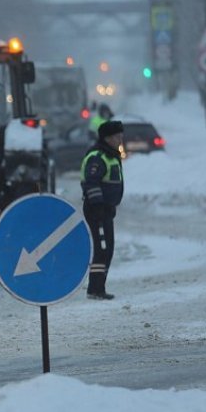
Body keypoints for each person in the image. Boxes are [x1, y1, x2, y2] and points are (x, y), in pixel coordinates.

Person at [80, 120, 124, 301]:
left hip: (106, 210)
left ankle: (99, 286)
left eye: (121, 135)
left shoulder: (111, 155)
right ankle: (95, 289)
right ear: (107, 138)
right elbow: (91, 182)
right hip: (97, 210)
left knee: (108, 248)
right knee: (102, 248)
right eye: (117, 136)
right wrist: (98, 206)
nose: (120, 139)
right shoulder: (98, 157)